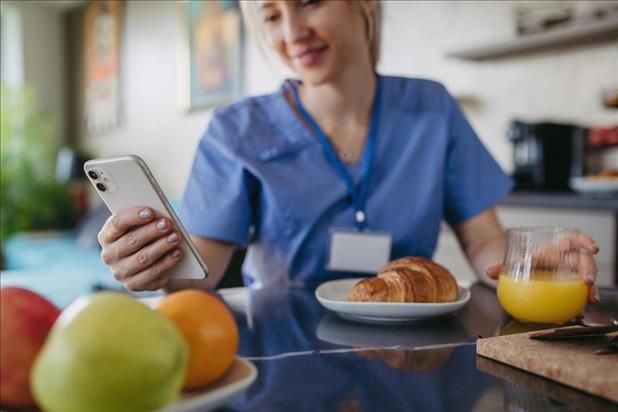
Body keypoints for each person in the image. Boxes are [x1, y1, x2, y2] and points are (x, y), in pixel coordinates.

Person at [96, 0, 599, 302]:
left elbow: (483, 242)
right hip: (285, 357)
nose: (292, 34)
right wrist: (157, 267)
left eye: (310, 1)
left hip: (413, 353)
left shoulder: (431, 108)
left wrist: (528, 264)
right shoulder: (237, 130)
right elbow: (200, 271)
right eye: (271, 15)